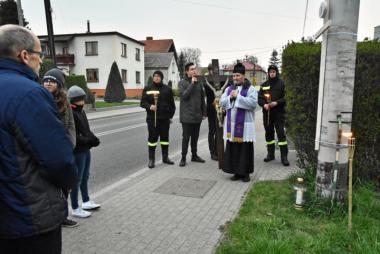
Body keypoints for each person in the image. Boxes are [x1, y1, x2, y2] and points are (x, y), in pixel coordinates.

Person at [0, 24, 77, 254]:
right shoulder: (29, 93)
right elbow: (60, 160)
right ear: (24, 56)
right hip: (28, 220)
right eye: (39, 54)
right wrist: (66, 188)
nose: (41, 62)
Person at [43, 68, 78, 228]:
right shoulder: (39, 98)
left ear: (59, 84)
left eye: (52, 80)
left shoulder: (65, 102)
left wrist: (70, 144)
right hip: (46, 150)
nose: (48, 83)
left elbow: (71, 125)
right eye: (46, 80)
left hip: (63, 149)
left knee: (65, 185)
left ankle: (62, 216)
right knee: (48, 187)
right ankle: (50, 218)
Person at [220, 63, 258, 182]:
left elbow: (253, 104)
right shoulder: (229, 89)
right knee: (234, 149)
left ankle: (246, 173)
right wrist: (230, 98)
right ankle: (236, 172)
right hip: (232, 125)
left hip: (245, 126)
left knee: (245, 150)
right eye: (234, 75)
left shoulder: (251, 89)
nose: (235, 78)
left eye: (237, 75)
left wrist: (238, 98)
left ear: (243, 75)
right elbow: (222, 102)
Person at [67, 85, 101, 218]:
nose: (84, 101)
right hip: (78, 151)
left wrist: (93, 139)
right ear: (75, 100)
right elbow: (73, 135)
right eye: (82, 98)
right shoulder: (71, 113)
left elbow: (86, 130)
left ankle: (86, 201)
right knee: (77, 179)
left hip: (86, 150)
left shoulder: (81, 111)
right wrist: (88, 140)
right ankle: (75, 207)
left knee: (85, 176)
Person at [140, 70, 176, 168]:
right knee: (152, 140)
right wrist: (150, 106)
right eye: (155, 76)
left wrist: (170, 117)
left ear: (161, 77)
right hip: (152, 119)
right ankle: (151, 159)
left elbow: (172, 105)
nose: (156, 77)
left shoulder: (167, 89)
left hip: (164, 120)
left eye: (158, 76)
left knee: (165, 139)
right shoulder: (148, 88)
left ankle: (165, 157)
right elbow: (142, 103)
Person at [258, 65, 290, 166]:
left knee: (281, 134)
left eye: (273, 72)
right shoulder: (264, 85)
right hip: (267, 114)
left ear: (276, 72)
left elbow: (286, 97)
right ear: (268, 73)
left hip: (278, 113)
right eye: (270, 72)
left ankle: (284, 157)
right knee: (269, 134)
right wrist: (264, 104)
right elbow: (259, 99)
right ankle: (270, 154)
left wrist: (276, 103)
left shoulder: (282, 84)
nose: (272, 73)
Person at [178, 62, 207, 167]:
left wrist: (204, 112)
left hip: (197, 115)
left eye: (195, 69)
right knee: (186, 138)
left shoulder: (199, 83)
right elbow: (184, 96)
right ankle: (183, 158)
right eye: (191, 69)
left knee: (195, 137)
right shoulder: (182, 82)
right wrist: (192, 84)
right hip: (186, 116)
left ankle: (194, 156)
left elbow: (202, 98)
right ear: (187, 71)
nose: (194, 71)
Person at [204, 64, 218, 161]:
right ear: (209, 71)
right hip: (211, 109)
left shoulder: (220, 79)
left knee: (219, 130)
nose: (212, 72)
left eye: (214, 70)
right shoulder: (206, 81)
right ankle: (212, 152)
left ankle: (218, 150)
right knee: (212, 131)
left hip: (220, 108)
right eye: (211, 70)